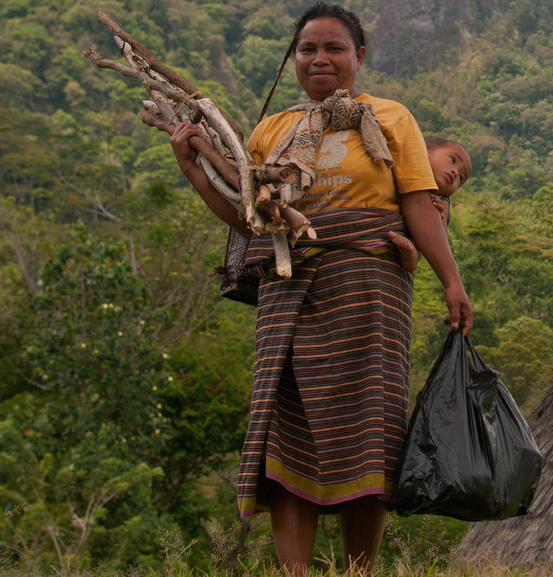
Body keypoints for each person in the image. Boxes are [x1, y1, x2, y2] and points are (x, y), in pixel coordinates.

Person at [166, 3, 470, 574]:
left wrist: (450, 280)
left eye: (334, 48)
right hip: (290, 292)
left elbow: (415, 203)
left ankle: (358, 570)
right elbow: (251, 220)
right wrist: (193, 171)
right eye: (308, 49)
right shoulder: (271, 130)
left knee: (371, 434)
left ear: (358, 57)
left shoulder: (391, 118)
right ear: (294, 58)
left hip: (369, 293)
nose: (320, 58)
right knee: (287, 434)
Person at [389, 137, 471, 271]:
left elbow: (440, 240)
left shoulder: (441, 200)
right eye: (452, 160)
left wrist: (438, 216)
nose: (456, 172)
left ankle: (414, 253)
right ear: (424, 151)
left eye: (461, 178)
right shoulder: (400, 167)